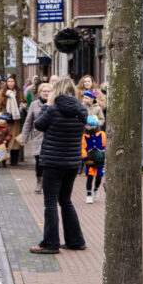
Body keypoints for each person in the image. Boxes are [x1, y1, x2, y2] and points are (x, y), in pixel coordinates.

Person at [30, 77, 88, 254]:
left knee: (50, 203)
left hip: (53, 162)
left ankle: (50, 243)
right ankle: (75, 241)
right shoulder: (82, 111)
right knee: (66, 200)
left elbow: (38, 125)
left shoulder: (52, 110)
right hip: (72, 163)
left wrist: (47, 105)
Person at [20, 82, 51, 193]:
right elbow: (28, 122)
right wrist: (24, 138)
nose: (46, 93)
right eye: (44, 91)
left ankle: (48, 183)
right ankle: (39, 181)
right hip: (38, 137)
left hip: (51, 137)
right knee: (39, 161)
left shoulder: (55, 104)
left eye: (48, 91)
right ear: (39, 92)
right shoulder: (34, 104)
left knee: (50, 162)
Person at [82, 115, 106, 204]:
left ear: (95, 125)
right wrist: (85, 157)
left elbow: (106, 145)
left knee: (99, 176)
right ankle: (88, 195)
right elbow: (82, 147)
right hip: (89, 159)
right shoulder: (84, 135)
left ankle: (95, 189)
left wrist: (104, 152)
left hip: (100, 159)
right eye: (87, 125)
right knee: (89, 176)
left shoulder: (102, 134)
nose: (88, 127)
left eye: (90, 125)